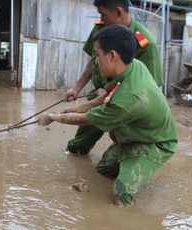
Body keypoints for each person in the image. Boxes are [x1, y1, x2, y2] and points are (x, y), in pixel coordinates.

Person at [38, 25, 177, 205]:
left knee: (120, 195)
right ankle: (129, 161)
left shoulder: (129, 98)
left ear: (112, 55)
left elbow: (87, 120)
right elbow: (104, 97)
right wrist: (75, 108)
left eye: (98, 55)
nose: (95, 61)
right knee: (102, 171)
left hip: (153, 143)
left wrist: (53, 117)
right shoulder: (133, 66)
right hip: (131, 136)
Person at [64, 0, 163, 155]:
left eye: (103, 14)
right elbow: (93, 61)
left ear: (118, 12)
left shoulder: (145, 43)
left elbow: (148, 88)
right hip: (99, 94)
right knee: (79, 144)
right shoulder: (102, 28)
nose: (101, 19)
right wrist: (76, 88)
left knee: (123, 144)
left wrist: (111, 93)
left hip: (125, 102)